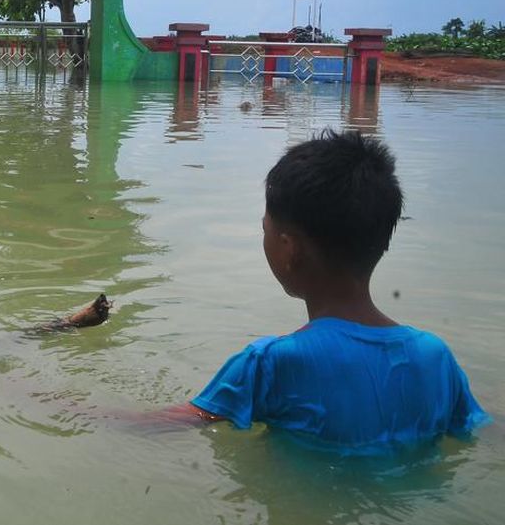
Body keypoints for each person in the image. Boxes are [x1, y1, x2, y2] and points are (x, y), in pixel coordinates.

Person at [70, 130, 491, 449]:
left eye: (266, 230)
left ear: (288, 249)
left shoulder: (270, 363)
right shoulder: (436, 357)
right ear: (381, 238)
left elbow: (156, 426)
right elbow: (477, 435)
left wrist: (59, 404)